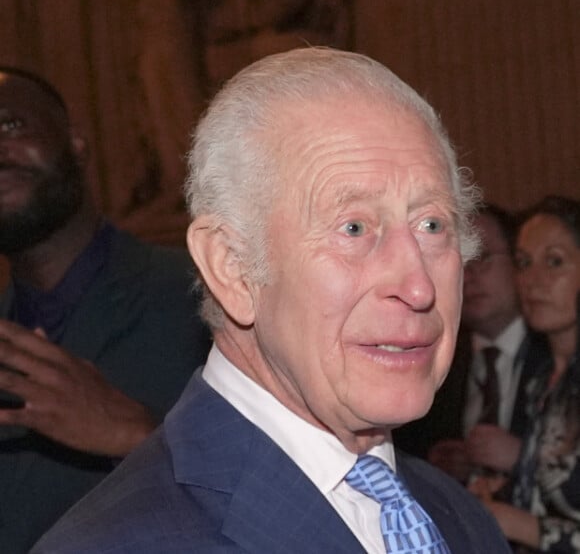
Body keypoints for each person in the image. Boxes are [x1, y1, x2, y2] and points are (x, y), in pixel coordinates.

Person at [32, 47, 510, 554]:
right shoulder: (118, 544)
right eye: (353, 228)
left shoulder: (459, 518)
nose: (419, 287)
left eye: (432, 225)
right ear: (232, 266)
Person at [0, 67, 211, 553]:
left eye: (11, 126)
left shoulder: (205, 297)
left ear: (75, 141)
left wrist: (139, 436)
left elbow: (306, 486)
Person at [395, 204, 546, 483]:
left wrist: (522, 456)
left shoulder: (556, 354)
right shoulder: (429, 359)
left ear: (518, 262)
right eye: (459, 260)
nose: (470, 273)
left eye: (484, 256)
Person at [470, 195, 580, 553]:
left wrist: (512, 521)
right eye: (523, 263)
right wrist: (496, 495)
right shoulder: (542, 380)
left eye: (554, 262)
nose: (533, 281)